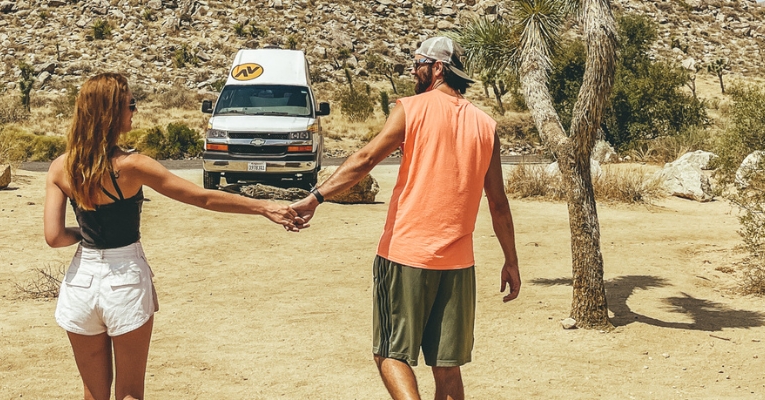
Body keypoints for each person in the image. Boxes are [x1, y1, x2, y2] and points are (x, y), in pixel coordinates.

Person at [43, 73, 302, 400]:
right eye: (130, 105)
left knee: (93, 394)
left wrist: (85, 233)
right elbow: (202, 197)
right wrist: (264, 207)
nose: (133, 112)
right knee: (130, 392)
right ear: (110, 113)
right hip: (124, 281)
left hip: (79, 284)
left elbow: (53, 236)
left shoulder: (60, 168)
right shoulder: (133, 166)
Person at [291, 37, 521, 400]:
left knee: (389, 353)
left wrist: (316, 197)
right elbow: (498, 203)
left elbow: (366, 158)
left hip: (405, 254)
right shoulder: (485, 125)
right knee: (447, 367)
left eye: (417, 63)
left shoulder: (411, 108)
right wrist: (511, 260)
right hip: (459, 264)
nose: (413, 71)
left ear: (437, 68)